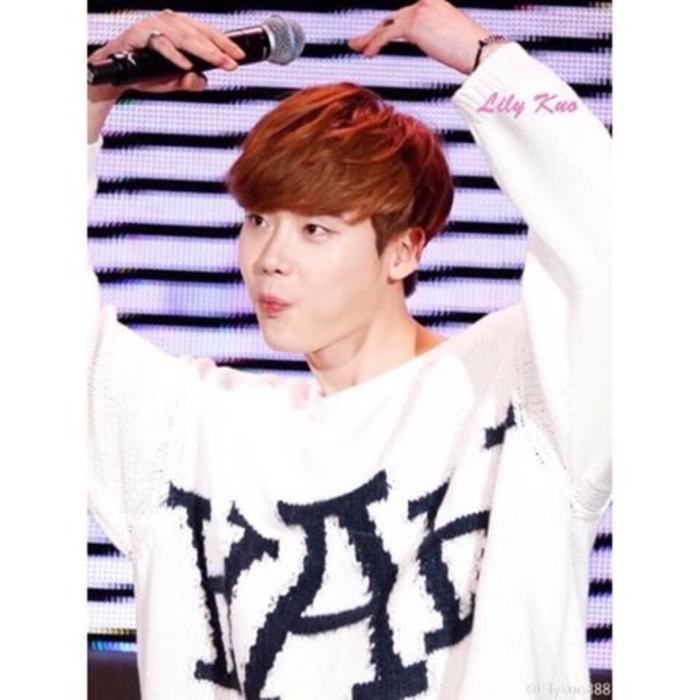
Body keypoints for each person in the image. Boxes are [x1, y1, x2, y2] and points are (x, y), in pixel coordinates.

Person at [87, 1, 611, 698]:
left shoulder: (521, 391)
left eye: (316, 230)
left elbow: (628, 252)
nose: (269, 258)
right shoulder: (199, 428)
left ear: (403, 250)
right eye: (258, 219)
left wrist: (487, 60)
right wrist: (88, 94)